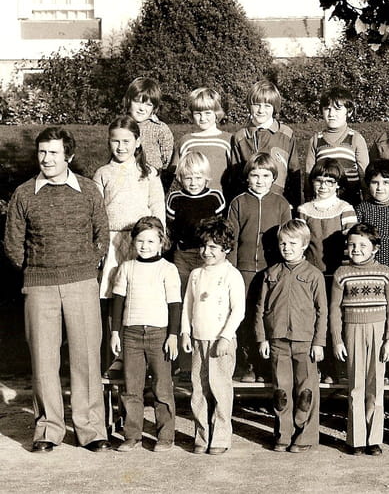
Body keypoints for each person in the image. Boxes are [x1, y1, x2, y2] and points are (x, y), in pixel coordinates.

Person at [3, 127, 111, 452]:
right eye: (42, 152)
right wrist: (36, 268)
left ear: (69, 156)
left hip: (82, 283)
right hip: (40, 286)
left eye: (53, 153)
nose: (46, 159)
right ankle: (48, 430)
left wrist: (86, 264)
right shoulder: (24, 194)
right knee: (43, 360)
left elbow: (102, 234)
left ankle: (91, 430)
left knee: (86, 357)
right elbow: (12, 243)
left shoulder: (88, 190)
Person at [94, 116, 165, 375]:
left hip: (141, 243)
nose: (121, 147)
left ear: (138, 142)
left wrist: (157, 241)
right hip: (112, 243)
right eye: (116, 141)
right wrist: (99, 246)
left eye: (126, 141)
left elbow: (157, 208)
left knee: (140, 296)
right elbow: (96, 213)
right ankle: (116, 357)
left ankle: (143, 359)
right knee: (115, 298)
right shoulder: (103, 173)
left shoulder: (149, 173)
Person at [255, 219, 328, 453]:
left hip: (305, 342)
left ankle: (305, 435)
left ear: (304, 244)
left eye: (293, 243)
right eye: (283, 243)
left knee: (306, 392)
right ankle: (283, 434)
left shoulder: (314, 275)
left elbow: (322, 311)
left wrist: (319, 342)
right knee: (281, 392)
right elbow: (260, 309)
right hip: (278, 341)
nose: (287, 248)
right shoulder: (271, 273)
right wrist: (262, 338)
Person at [109, 216, 181, 452]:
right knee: (132, 388)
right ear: (133, 242)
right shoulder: (127, 268)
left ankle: (165, 436)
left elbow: (175, 305)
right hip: (131, 335)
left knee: (162, 388)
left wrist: (173, 335)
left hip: (159, 335)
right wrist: (115, 333)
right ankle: (132, 435)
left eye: (151, 241)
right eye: (140, 241)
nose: (145, 246)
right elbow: (118, 303)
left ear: (161, 242)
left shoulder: (168, 269)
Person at [329, 223, 389, 455]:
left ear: (375, 248)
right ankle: (356, 439)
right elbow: (334, 310)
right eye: (352, 245)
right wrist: (337, 340)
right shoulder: (341, 273)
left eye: (362, 245)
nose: (356, 249)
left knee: (376, 386)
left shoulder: (386, 273)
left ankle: (374, 438)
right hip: (352, 331)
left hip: (378, 333)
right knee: (356, 386)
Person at [181, 217, 245, 455]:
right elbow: (188, 305)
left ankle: (220, 437)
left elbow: (238, 310)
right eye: (203, 246)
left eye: (213, 247)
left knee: (220, 389)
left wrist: (226, 337)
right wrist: (185, 332)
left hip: (221, 343)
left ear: (226, 249)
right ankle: (202, 436)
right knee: (199, 390)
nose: (206, 251)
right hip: (199, 340)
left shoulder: (232, 275)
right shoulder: (196, 274)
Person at [226, 152, 292, 383]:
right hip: (243, 270)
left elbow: (288, 237)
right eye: (255, 175)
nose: (260, 180)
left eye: (265, 176)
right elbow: (231, 239)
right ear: (248, 177)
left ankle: (268, 365)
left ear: (273, 178)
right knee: (245, 316)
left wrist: (282, 268)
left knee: (267, 315)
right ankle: (248, 364)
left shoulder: (281, 203)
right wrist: (232, 269)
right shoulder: (239, 202)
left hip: (271, 269)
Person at [166, 151, 226, 380]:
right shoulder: (175, 199)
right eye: (188, 178)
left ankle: (208, 358)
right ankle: (183, 362)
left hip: (206, 256)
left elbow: (220, 230)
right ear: (181, 178)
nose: (193, 183)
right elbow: (171, 231)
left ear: (207, 178)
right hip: (183, 255)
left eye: (198, 178)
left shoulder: (215, 198)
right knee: (183, 302)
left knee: (206, 302)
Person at [298, 158, 357, 383]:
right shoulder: (304, 210)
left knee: (334, 318)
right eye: (319, 181)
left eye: (329, 182)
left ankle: (335, 369)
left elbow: (352, 243)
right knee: (313, 317)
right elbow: (301, 243)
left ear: (337, 184)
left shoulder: (345, 209)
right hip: (312, 275)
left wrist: (346, 273)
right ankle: (315, 366)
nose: (323, 186)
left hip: (337, 275)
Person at [355, 159, 389, 383]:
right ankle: (369, 368)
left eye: (386, 183)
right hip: (368, 273)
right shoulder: (362, 209)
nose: (380, 188)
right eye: (375, 182)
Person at [229, 79, 301, 207]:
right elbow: (235, 177)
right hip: (249, 204)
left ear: (274, 108)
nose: (261, 110)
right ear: (249, 105)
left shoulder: (286, 134)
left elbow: (294, 173)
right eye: (257, 105)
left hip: (280, 204)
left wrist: (294, 205)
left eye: (267, 106)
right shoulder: (240, 137)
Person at [305, 86, 369, 205]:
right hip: (323, 201)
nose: (331, 114)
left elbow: (364, 174)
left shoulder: (355, 138)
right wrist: (308, 200)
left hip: (350, 201)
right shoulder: (316, 140)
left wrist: (366, 200)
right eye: (327, 109)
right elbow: (309, 174)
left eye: (337, 109)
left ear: (349, 112)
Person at [168, 87, 232, 196]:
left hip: (222, 198)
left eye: (207, 113)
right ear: (191, 114)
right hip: (192, 198)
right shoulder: (186, 141)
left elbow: (234, 173)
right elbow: (177, 172)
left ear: (216, 113)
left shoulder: (228, 140)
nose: (202, 118)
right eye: (198, 113)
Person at [122, 77, 174, 183]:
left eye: (148, 104)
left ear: (154, 108)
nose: (142, 108)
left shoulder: (160, 128)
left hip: (153, 180)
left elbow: (168, 159)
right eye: (137, 102)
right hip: (125, 179)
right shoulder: (122, 126)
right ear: (128, 101)